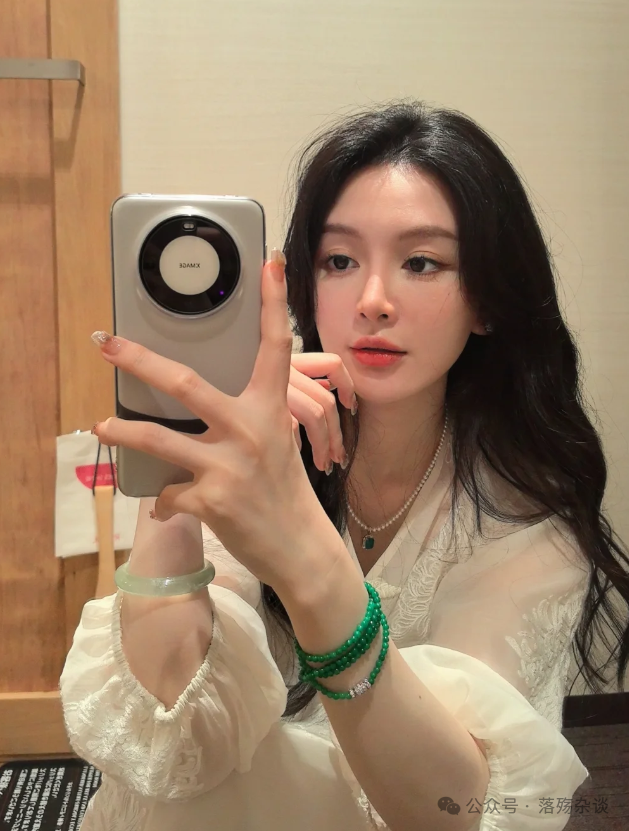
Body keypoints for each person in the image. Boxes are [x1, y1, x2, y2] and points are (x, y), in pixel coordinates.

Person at [59, 100, 629, 831]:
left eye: (421, 262)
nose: (372, 301)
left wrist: (306, 561)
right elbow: (171, 743)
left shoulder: (520, 518)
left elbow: (455, 809)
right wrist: (178, 457)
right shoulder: (260, 451)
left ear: (486, 300)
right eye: (339, 261)